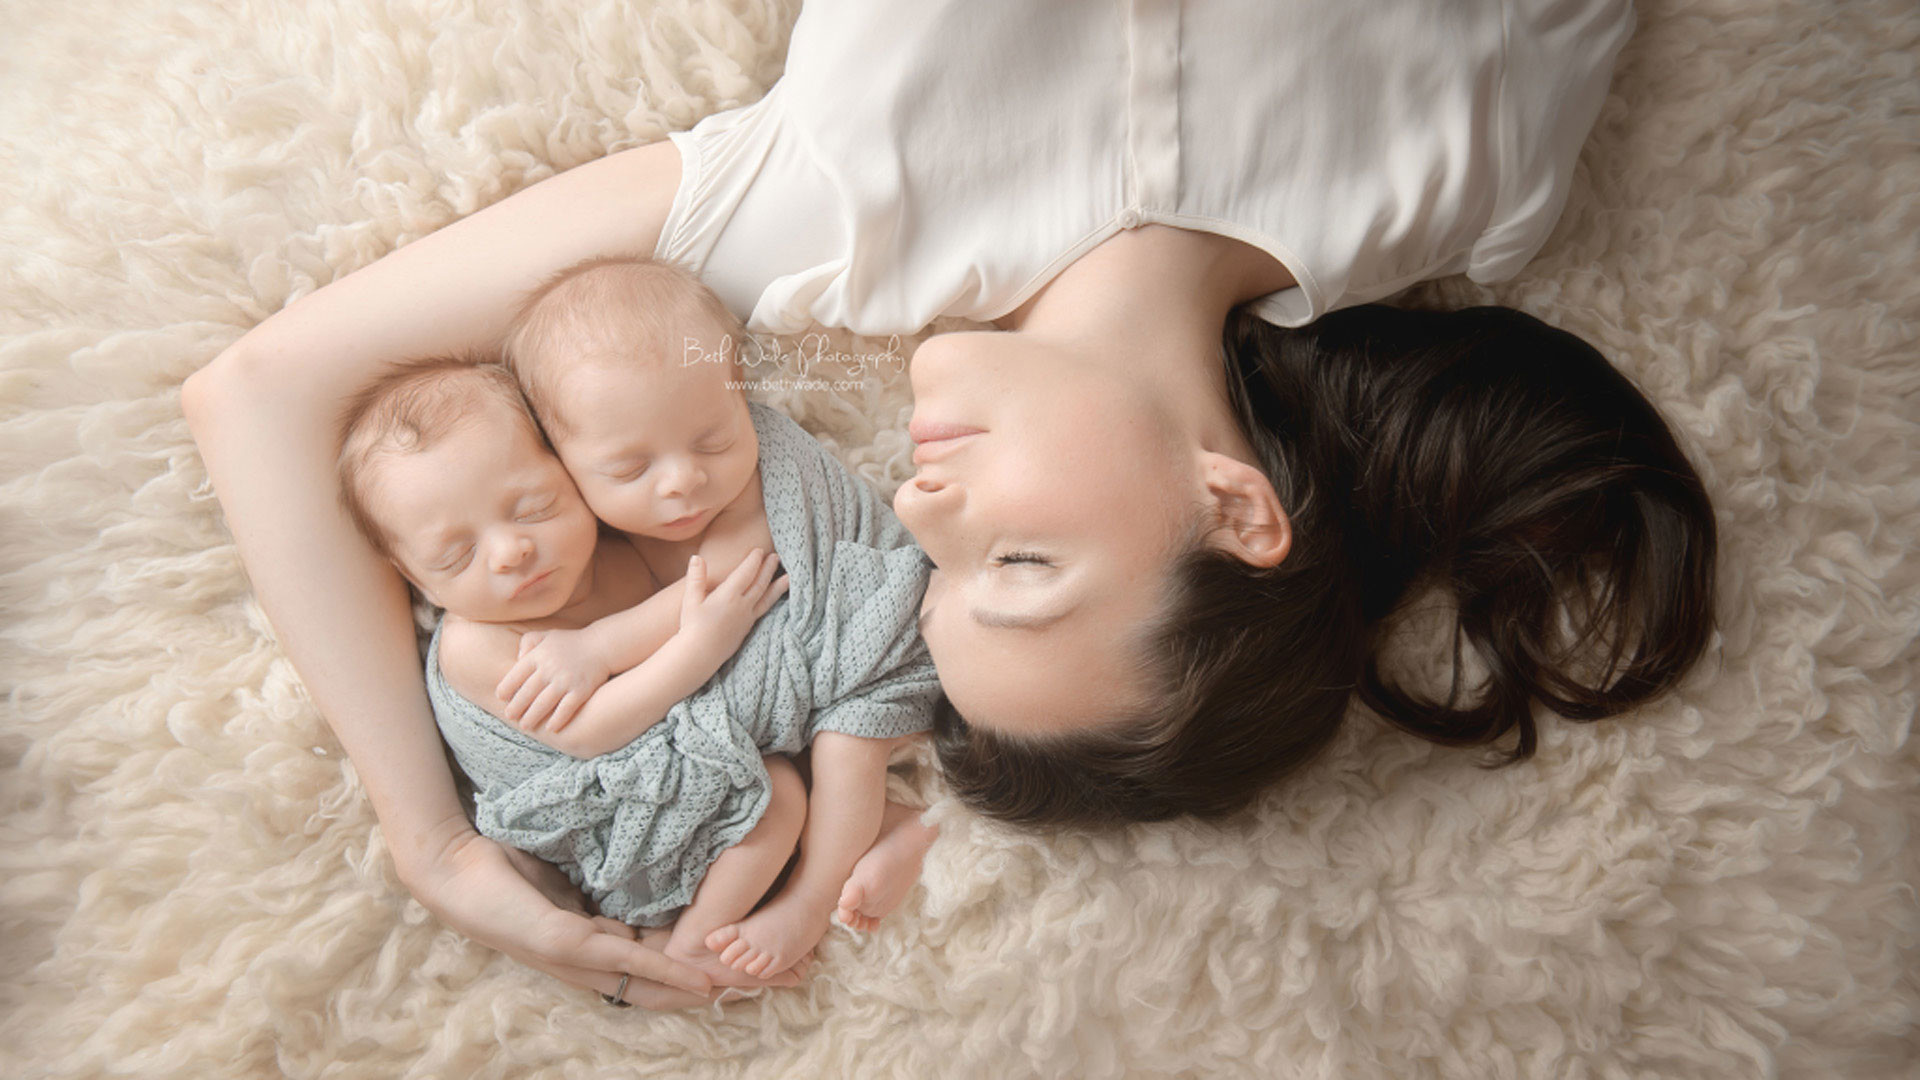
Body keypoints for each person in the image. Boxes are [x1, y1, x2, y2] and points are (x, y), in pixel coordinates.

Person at [184, 0, 1712, 1009]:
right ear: (1239, 508)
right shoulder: (1489, 181)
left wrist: (437, 847)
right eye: (1024, 562)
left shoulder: (811, 224)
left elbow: (262, 393)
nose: (918, 508)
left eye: (939, 570)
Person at [487, 257, 939, 978]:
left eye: (714, 440)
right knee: (771, 780)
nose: (684, 481)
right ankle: (902, 832)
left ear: (739, 396)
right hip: (785, 689)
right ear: (558, 461)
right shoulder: (581, 533)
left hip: (871, 639)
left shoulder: (760, 481)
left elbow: (723, 575)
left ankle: (812, 899)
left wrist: (600, 646)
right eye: (629, 469)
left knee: (842, 751)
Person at [334, 356, 807, 986]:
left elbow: (723, 565)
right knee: (777, 791)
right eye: (456, 555)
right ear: (416, 582)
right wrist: (701, 645)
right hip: (606, 819)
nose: (511, 552)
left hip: (677, 758)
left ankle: (869, 854)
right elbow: (587, 734)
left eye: (533, 507)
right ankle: (691, 943)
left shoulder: (617, 548)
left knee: (821, 745)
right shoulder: (477, 643)